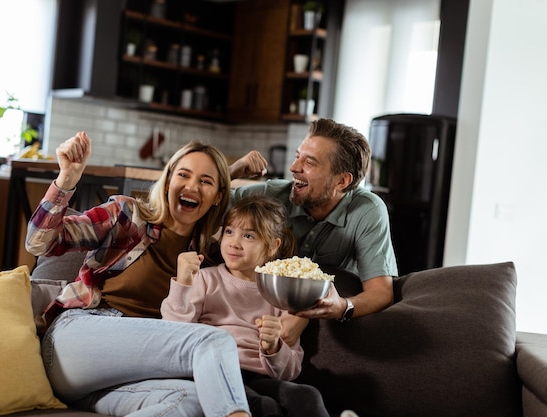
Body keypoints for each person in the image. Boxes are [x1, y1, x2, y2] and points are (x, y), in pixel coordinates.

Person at [25, 131, 251, 417]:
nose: (192, 186)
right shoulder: (127, 215)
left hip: (123, 375)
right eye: (183, 175)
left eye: (205, 182)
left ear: (218, 197)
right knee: (212, 341)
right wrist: (66, 179)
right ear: (168, 181)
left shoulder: (210, 259)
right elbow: (39, 242)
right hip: (76, 341)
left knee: (192, 401)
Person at [228, 119, 398, 342]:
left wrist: (342, 307)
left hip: (328, 330)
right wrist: (232, 170)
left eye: (309, 162)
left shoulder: (368, 210)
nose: (294, 167)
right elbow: (206, 200)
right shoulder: (274, 194)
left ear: (342, 181)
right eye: (297, 156)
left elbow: (381, 293)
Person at [161, 195, 329, 417]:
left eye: (248, 235)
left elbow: (291, 369)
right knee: (265, 407)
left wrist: (274, 348)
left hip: (261, 376)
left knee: (307, 396)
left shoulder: (280, 291)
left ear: (272, 246)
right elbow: (173, 335)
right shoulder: (204, 279)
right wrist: (182, 283)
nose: (234, 242)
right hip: (216, 373)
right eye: (229, 231)